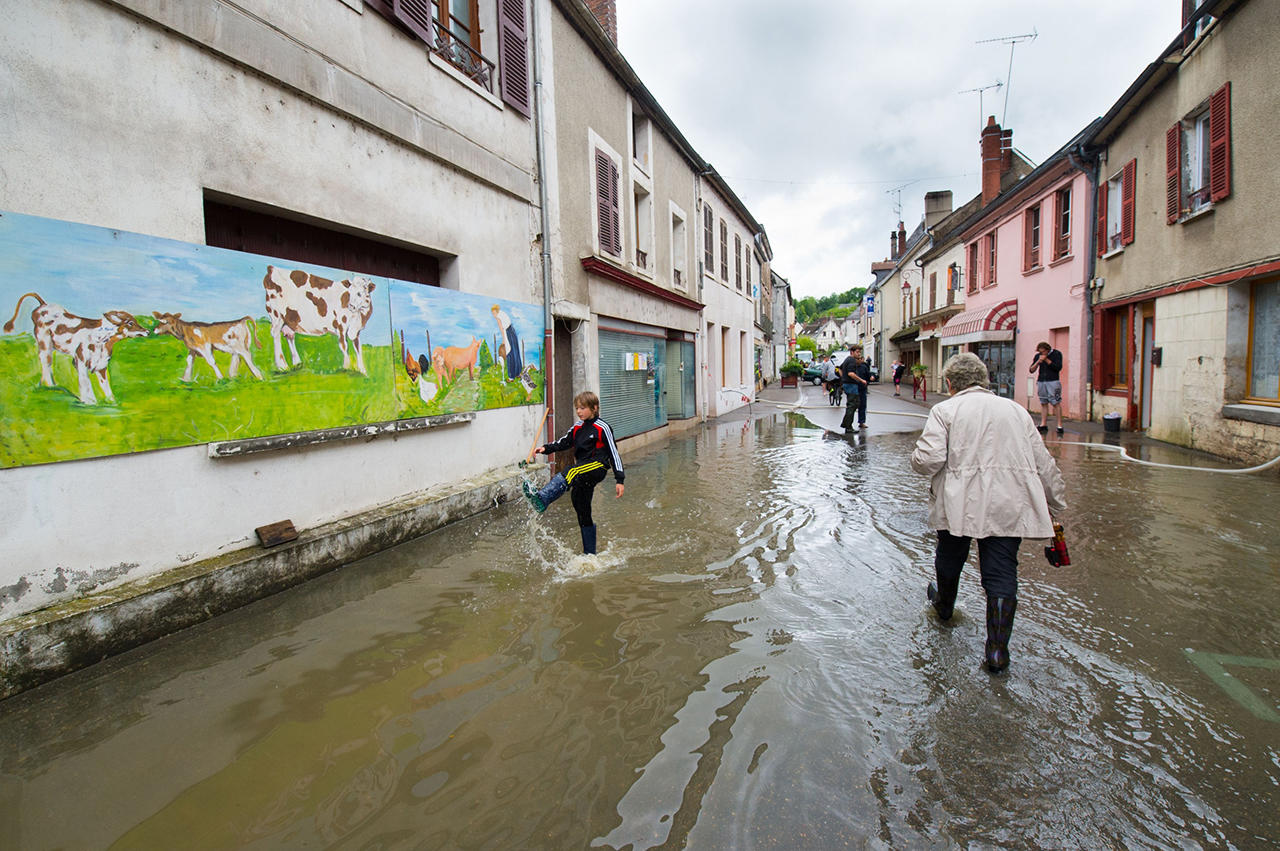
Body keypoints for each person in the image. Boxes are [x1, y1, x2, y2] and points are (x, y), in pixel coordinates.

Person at [910, 353, 1067, 673]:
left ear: (950, 384)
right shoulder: (1017, 411)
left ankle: (943, 607)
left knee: (950, 556)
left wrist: (916, 458)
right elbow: (1043, 463)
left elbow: (928, 461)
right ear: (985, 381)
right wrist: (1056, 501)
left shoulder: (945, 410)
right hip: (1008, 504)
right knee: (1000, 573)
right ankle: (997, 653)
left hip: (958, 503)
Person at [522, 390, 624, 554]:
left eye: (583, 408)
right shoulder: (577, 427)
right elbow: (564, 442)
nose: (578, 411)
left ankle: (543, 498)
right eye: (577, 408)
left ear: (594, 408)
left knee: (571, 471)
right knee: (580, 506)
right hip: (583, 468)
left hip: (597, 467)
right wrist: (545, 448)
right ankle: (590, 554)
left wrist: (620, 479)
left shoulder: (603, 427)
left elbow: (614, 453)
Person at [1028, 341, 1064, 436]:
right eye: (1040, 352)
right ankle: (1043, 424)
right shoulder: (1038, 356)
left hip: (1053, 381)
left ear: (1047, 351)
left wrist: (1047, 360)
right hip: (1041, 381)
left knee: (1055, 402)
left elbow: (1058, 367)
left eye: (1043, 352)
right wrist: (1038, 362)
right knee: (1043, 402)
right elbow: (1031, 370)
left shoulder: (1056, 354)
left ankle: (1059, 425)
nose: (1041, 354)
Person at [839, 344, 872, 431]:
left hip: (848, 384)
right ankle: (848, 426)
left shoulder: (847, 360)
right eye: (857, 352)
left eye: (860, 352)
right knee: (852, 405)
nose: (859, 354)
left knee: (853, 405)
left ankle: (846, 424)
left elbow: (840, 369)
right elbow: (851, 374)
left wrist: (843, 378)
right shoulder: (851, 360)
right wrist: (861, 380)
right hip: (851, 385)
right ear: (852, 352)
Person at [491, 304, 523, 383]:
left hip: (508, 332)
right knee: (516, 352)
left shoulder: (498, 317)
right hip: (512, 331)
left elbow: (502, 329)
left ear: (496, 311)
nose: (493, 315)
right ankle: (518, 373)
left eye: (493, 313)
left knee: (509, 353)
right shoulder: (502, 313)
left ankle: (511, 377)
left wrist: (503, 340)